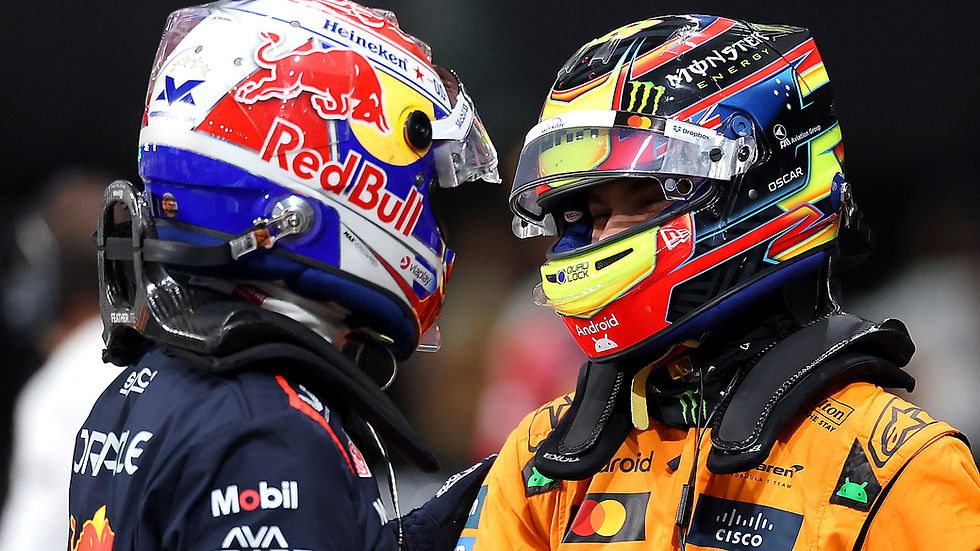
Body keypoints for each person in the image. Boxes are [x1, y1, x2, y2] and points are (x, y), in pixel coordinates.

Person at [456, 15, 980, 550]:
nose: (603, 235)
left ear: (763, 177)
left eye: (645, 199)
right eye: (589, 212)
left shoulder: (895, 466)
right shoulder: (539, 456)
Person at [68, 1, 500, 549]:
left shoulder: (139, 388)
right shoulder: (265, 428)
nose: (425, 211)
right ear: (332, 178)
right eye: (420, 182)